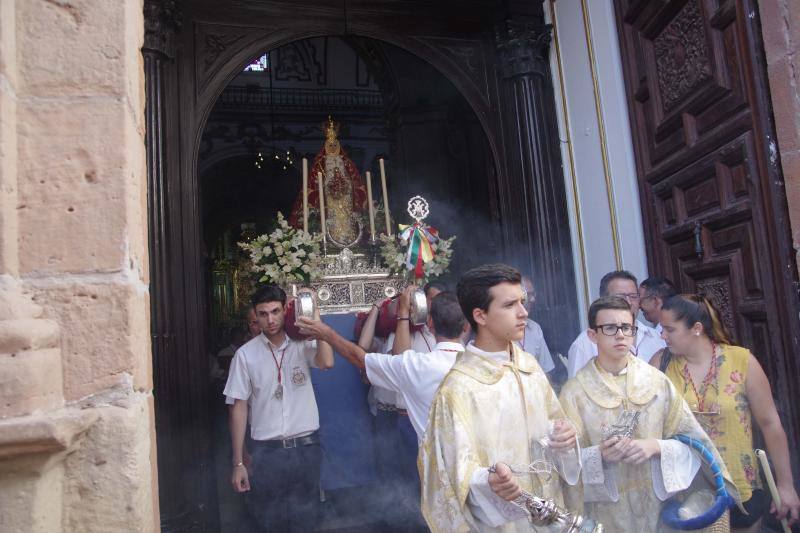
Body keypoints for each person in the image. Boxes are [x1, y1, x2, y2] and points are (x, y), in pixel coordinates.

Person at [419, 264, 580, 532]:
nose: (523, 312)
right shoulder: (458, 389)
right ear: (480, 316)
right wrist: (488, 481)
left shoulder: (529, 366)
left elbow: (555, 426)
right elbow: (449, 477)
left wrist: (563, 437)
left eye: (522, 302)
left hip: (549, 515)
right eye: (509, 305)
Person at [559, 296, 735, 531]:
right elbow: (562, 464)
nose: (620, 335)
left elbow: (695, 444)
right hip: (607, 516)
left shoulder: (656, 383)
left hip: (659, 511)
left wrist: (656, 446)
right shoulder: (575, 393)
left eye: (627, 327)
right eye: (610, 328)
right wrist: (598, 455)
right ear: (593, 335)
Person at [654, 294, 800, 532]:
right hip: (687, 491)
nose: (662, 336)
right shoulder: (662, 363)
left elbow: (770, 423)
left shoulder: (741, 361)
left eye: (669, 329)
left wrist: (785, 485)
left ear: (697, 328)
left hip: (740, 488)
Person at [223, 284, 334, 532]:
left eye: (275, 311)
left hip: (306, 449)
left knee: (308, 519)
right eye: (263, 314)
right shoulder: (245, 355)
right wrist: (238, 462)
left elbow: (327, 362)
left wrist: (315, 316)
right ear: (256, 316)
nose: (270, 320)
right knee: (271, 521)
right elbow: (238, 408)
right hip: (267, 454)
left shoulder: (302, 345)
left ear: (286, 310)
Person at [298, 286, 468, 443]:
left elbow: (360, 358)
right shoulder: (486, 366)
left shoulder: (419, 366)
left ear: (429, 322)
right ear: (467, 326)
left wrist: (326, 333)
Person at [567, 270, 664, 378]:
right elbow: (577, 391)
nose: (628, 302)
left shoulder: (657, 338)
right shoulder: (584, 344)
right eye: (621, 297)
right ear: (604, 299)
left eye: (633, 296)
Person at [519, 275, 555, 374]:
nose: (533, 300)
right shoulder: (498, 331)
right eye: (528, 295)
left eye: (533, 294)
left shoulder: (535, 329)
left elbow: (546, 372)